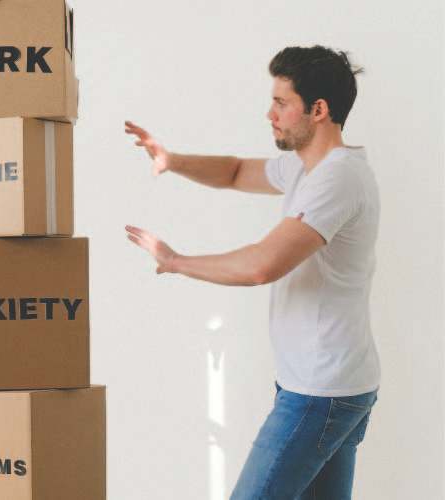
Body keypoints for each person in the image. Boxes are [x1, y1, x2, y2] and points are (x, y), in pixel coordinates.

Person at [125, 45, 380, 499]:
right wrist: (172, 159)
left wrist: (177, 261)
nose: (270, 113)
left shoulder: (336, 179)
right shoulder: (308, 168)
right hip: (330, 385)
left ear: (318, 110)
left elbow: (264, 265)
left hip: (318, 393)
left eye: (282, 103)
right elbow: (237, 171)